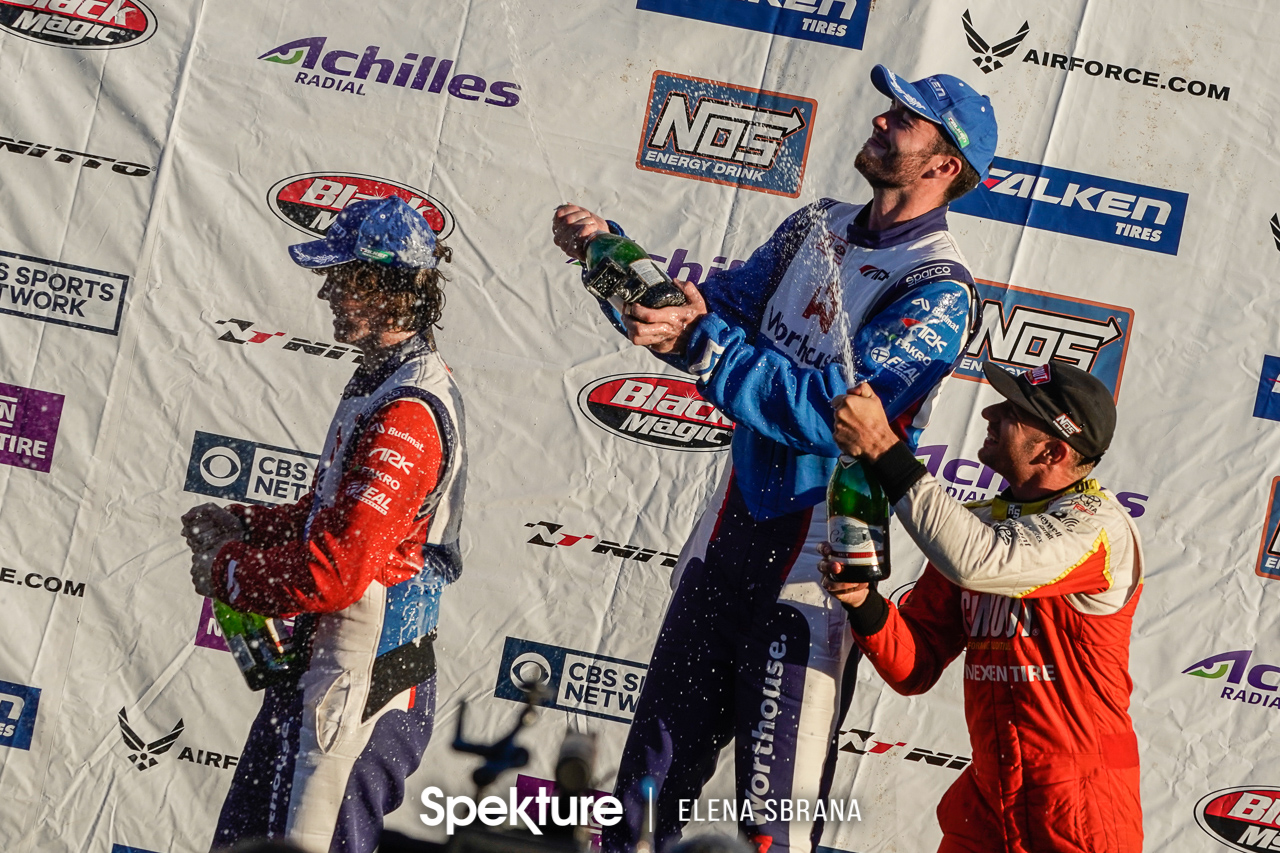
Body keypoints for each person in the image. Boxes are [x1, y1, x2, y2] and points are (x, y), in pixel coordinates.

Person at [553, 66, 998, 853]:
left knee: (772, 833)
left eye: (907, 119)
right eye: (890, 107)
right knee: (640, 803)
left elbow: (835, 412)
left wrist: (700, 344)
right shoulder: (815, 224)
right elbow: (716, 313)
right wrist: (615, 263)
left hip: (813, 580)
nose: (884, 120)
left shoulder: (939, 289)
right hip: (723, 547)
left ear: (943, 166)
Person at [182, 196, 467, 853]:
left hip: (362, 679)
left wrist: (227, 567)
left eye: (344, 278)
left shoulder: (407, 412)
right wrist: (246, 524)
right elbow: (328, 520)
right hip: (331, 666)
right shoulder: (378, 382)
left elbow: (336, 570)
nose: (327, 291)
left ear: (392, 290)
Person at [820, 361, 1143, 853]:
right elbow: (917, 665)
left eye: (1014, 411)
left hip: (1078, 801)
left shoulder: (1097, 529)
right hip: (989, 795)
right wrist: (864, 603)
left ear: (1054, 450)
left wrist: (885, 448)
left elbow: (980, 561)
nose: (990, 411)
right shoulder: (982, 524)